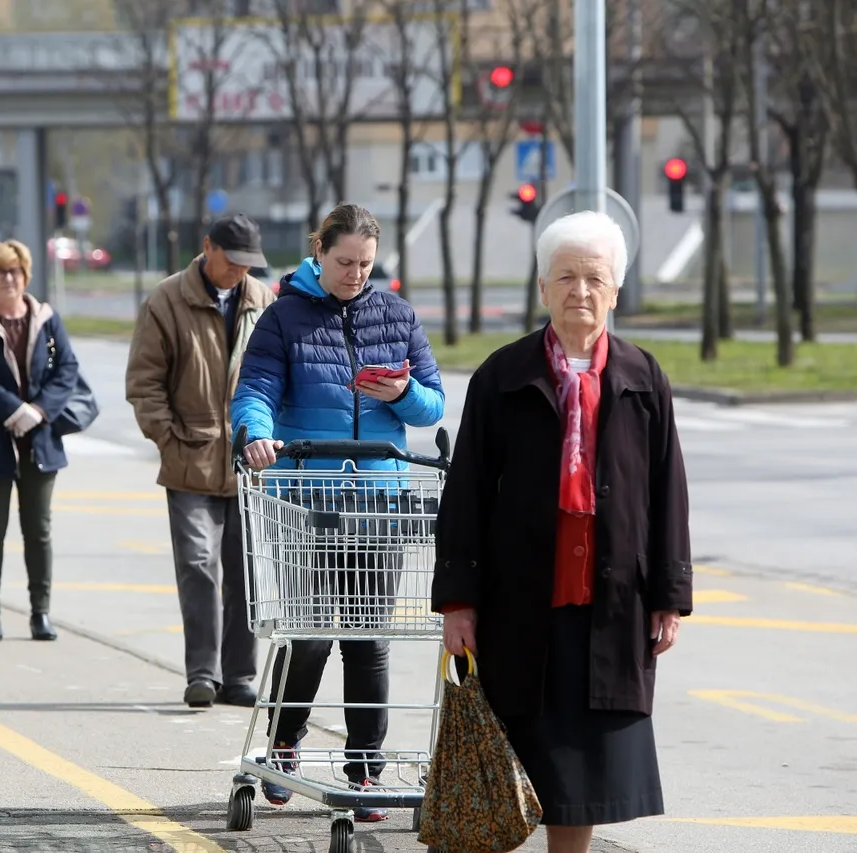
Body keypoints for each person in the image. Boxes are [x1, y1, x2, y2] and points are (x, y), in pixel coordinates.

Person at [432, 211, 692, 853]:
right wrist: (458, 602)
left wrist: (669, 594)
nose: (581, 290)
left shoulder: (642, 376)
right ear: (543, 288)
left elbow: (668, 492)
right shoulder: (504, 375)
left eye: (595, 278)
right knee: (508, 753)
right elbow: (465, 492)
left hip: (611, 602)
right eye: (566, 277)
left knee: (580, 771)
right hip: (520, 601)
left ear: (615, 290)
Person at [231, 203, 445, 821]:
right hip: (309, 501)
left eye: (366, 264)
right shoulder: (284, 319)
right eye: (345, 261)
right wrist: (256, 434)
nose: (356, 274)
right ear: (318, 252)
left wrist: (403, 392)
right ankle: (287, 740)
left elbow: (431, 406)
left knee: (370, 639)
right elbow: (257, 391)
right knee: (315, 635)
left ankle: (364, 768)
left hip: (381, 504)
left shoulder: (396, 316)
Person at [125, 213, 277, 709]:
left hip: (250, 461)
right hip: (189, 455)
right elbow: (144, 381)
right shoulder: (167, 300)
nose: (239, 272)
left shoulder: (263, 301)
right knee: (197, 565)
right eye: (232, 261)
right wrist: (167, 438)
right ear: (207, 248)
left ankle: (239, 675)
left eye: (247, 264)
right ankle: (202, 674)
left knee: (245, 570)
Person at [0, 240, 79, 642]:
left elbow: (67, 370)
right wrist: (13, 409)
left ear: (26, 276)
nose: (8, 279)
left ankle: (40, 612)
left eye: (15, 272)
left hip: (39, 442)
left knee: (38, 530)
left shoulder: (46, 320)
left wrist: (39, 411)